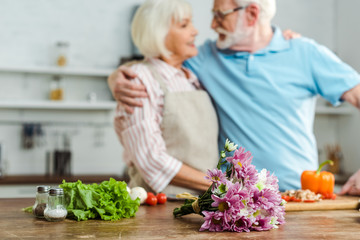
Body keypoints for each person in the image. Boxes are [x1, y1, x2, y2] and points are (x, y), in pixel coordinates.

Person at [108, 0, 360, 193]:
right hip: (233, 200)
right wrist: (118, 77)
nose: (211, 25)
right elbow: (156, 63)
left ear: (251, 14)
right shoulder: (203, 58)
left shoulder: (305, 53)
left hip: (298, 195)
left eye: (220, 15)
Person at [113, 0, 220, 195]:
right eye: (184, 25)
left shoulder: (192, 78)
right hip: (160, 208)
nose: (195, 31)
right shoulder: (139, 79)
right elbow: (152, 159)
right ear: (159, 34)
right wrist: (221, 187)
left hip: (201, 203)